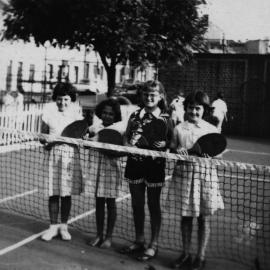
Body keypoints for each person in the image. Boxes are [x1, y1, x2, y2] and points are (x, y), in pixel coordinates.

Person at [169, 91, 224, 270]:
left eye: (198, 108)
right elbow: (171, 151)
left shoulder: (212, 130)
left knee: (203, 219)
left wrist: (211, 156)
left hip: (205, 178)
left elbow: (219, 155)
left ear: (204, 110)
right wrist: (177, 152)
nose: (194, 112)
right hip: (184, 176)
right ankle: (185, 254)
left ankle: (200, 256)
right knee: (185, 218)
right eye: (191, 108)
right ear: (186, 109)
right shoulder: (178, 129)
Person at [120, 80, 173, 261]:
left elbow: (172, 143)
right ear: (142, 96)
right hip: (134, 164)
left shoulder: (166, 118)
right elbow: (126, 136)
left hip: (155, 167)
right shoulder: (135, 115)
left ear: (160, 97)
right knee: (136, 204)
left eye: (153, 94)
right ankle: (139, 239)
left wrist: (166, 144)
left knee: (153, 205)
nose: (149, 97)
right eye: (146, 94)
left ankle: (154, 244)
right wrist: (129, 146)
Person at [40, 82, 83, 241]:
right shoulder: (48, 114)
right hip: (53, 157)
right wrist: (47, 142)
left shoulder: (76, 116)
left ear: (70, 100)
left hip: (70, 158)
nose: (62, 102)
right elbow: (41, 138)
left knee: (66, 194)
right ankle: (52, 227)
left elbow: (80, 138)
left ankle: (64, 227)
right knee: (53, 193)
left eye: (65, 99)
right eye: (59, 99)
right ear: (55, 99)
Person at [84, 98, 123, 249]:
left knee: (111, 204)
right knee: (99, 202)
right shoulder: (94, 128)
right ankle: (99, 235)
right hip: (96, 167)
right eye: (105, 113)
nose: (107, 116)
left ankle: (108, 237)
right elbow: (86, 144)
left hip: (112, 169)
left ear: (116, 115)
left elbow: (122, 150)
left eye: (111, 114)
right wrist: (86, 140)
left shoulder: (119, 129)